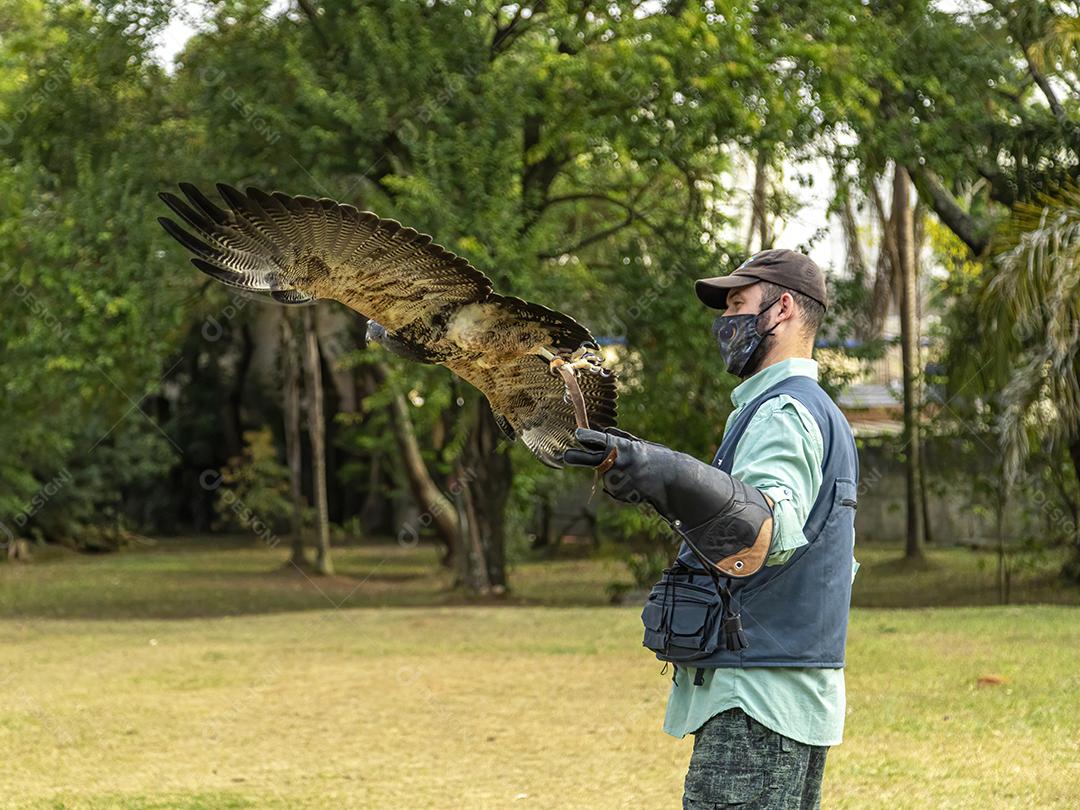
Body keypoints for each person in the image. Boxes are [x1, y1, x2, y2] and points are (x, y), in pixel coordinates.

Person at [563, 248, 860, 809]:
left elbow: (765, 529)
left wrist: (659, 469)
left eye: (737, 303)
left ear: (783, 308)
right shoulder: (816, 409)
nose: (725, 320)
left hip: (754, 695)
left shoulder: (781, 412)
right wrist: (647, 473)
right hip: (787, 688)